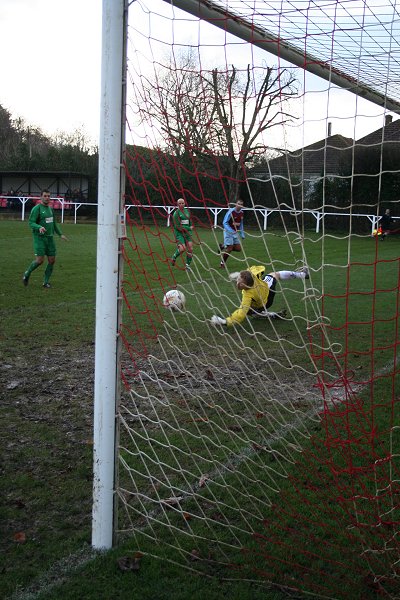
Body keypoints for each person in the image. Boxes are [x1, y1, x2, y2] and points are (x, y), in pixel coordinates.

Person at [210, 265, 309, 327]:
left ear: (246, 285)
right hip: (263, 292)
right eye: (237, 280)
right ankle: (272, 315)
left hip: (267, 295)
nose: (237, 283)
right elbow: (260, 268)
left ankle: (304, 275)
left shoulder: (247, 295)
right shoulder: (252, 275)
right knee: (273, 274)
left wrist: (224, 321)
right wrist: (240, 275)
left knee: (247, 309)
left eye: (239, 282)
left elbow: (241, 314)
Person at [22, 189, 68, 288]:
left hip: (50, 238)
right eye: (45, 196)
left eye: (48, 196)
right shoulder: (36, 209)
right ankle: (27, 273)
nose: (47, 198)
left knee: (52, 260)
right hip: (40, 238)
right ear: (41, 197)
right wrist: (39, 227)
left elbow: (54, 223)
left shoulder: (51, 209)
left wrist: (60, 234)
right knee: (39, 261)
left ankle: (45, 282)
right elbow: (31, 223)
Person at [219, 198, 245, 268]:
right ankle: (222, 263)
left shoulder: (242, 213)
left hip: (235, 232)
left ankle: (223, 246)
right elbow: (224, 223)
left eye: (241, 205)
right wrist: (230, 230)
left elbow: (241, 224)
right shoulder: (231, 212)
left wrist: (242, 233)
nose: (240, 206)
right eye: (238, 204)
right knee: (230, 248)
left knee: (238, 249)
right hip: (228, 232)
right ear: (236, 204)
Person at [170, 197, 194, 270]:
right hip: (179, 233)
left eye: (182, 203)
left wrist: (190, 226)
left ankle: (187, 266)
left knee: (190, 249)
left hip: (187, 233)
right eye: (179, 203)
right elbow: (178, 226)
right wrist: (189, 228)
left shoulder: (187, 211)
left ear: (184, 203)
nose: (181, 204)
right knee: (182, 248)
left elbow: (190, 221)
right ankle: (174, 257)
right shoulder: (176, 214)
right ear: (177, 204)